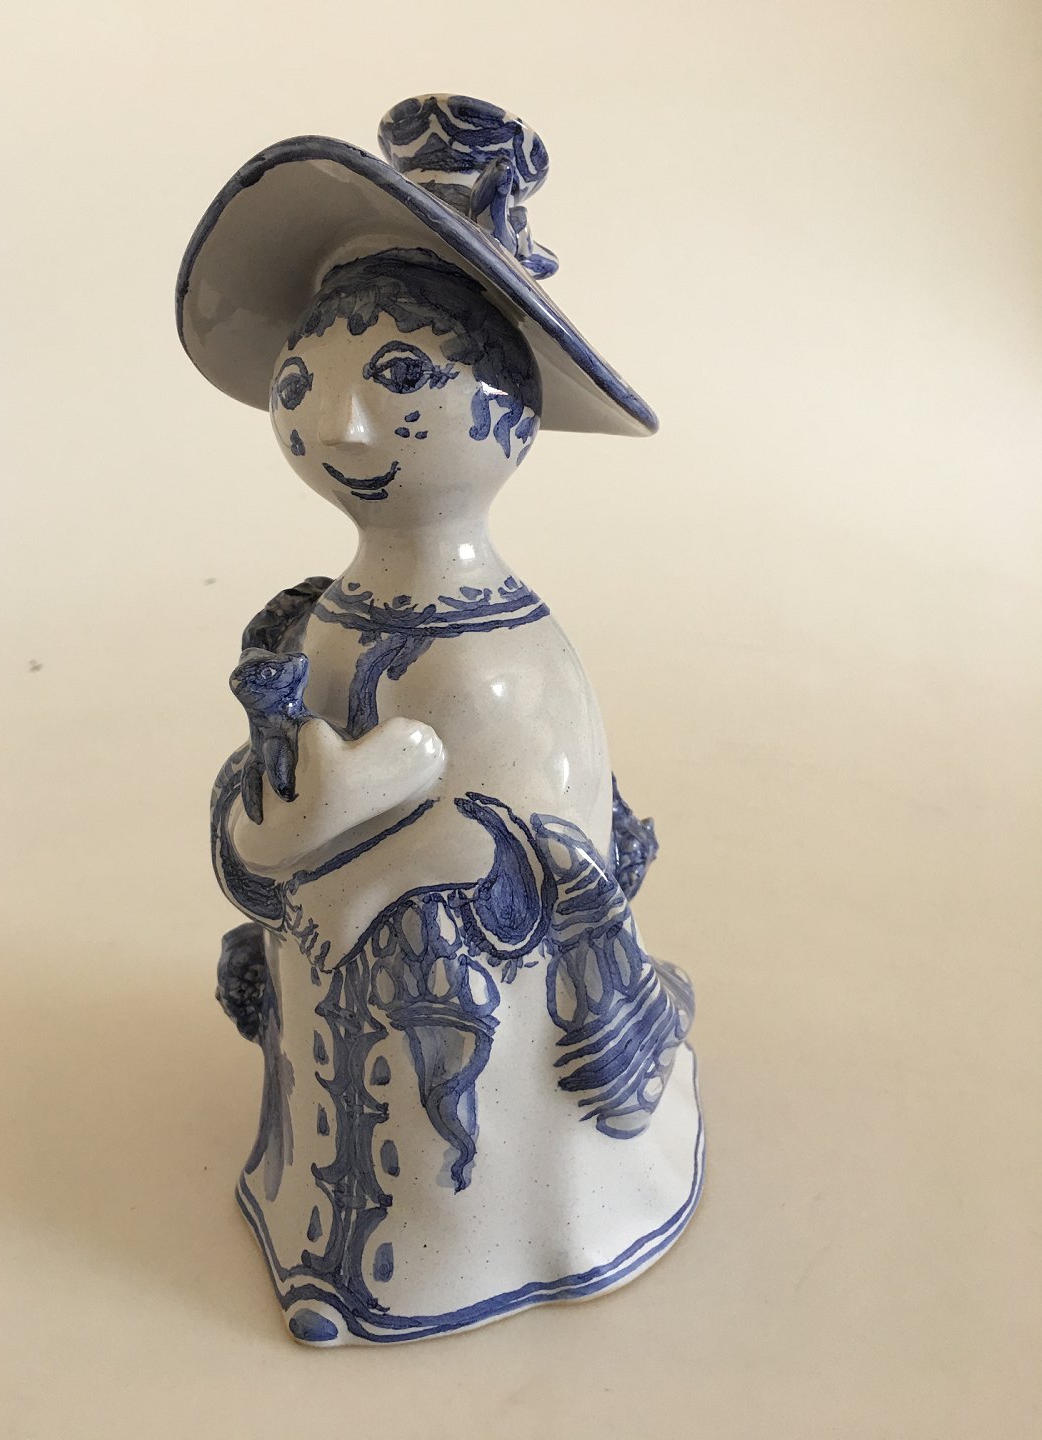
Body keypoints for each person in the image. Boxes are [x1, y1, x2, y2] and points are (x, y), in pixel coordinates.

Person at [180, 94, 703, 1346]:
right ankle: (327, 1249)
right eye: (303, 382)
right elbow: (261, 829)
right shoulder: (313, 622)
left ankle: (474, 1256)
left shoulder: (512, 658)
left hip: (452, 1016)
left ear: (511, 413)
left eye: (403, 377)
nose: (337, 423)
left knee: (451, 1140)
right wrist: (275, 832)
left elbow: (547, 849)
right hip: (332, 1038)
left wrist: (364, 864)